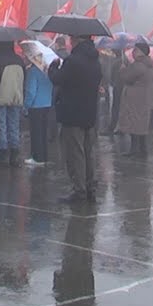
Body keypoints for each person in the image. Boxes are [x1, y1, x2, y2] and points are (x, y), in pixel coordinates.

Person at [54, 35, 102, 204]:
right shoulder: (95, 61)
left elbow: (59, 79)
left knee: (75, 153)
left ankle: (79, 189)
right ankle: (90, 186)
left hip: (72, 112)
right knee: (88, 151)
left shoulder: (73, 61)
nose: (70, 41)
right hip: (89, 112)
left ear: (78, 40)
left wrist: (52, 68)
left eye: (71, 39)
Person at [0, 41, 25, 166]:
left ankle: (2, 155)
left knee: (0, 125)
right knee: (14, 125)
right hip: (16, 97)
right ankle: (14, 155)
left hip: (1, 97)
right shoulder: (19, 60)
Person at [117, 43, 153, 157]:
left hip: (134, 97)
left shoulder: (138, 66)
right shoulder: (148, 64)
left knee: (134, 121)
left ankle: (134, 149)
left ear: (141, 52)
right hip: (143, 96)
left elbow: (127, 78)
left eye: (136, 50)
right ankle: (143, 148)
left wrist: (123, 70)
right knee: (141, 122)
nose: (133, 52)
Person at [23, 44, 54, 166]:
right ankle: (44, 156)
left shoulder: (33, 72)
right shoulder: (47, 71)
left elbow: (31, 91)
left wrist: (26, 105)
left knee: (36, 133)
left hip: (35, 106)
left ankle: (37, 157)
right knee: (43, 132)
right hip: (47, 104)